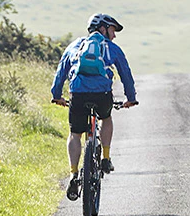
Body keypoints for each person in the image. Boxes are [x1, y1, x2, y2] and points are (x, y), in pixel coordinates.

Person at [51, 13, 138, 200]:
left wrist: (56, 95)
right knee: (106, 118)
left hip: (78, 94)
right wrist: (131, 98)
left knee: (75, 133)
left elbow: (61, 72)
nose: (114, 35)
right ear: (103, 28)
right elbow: (126, 74)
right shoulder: (112, 48)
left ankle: (74, 173)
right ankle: (105, 158)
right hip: (102, 95)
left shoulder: (74, 46)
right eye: (112, 30)